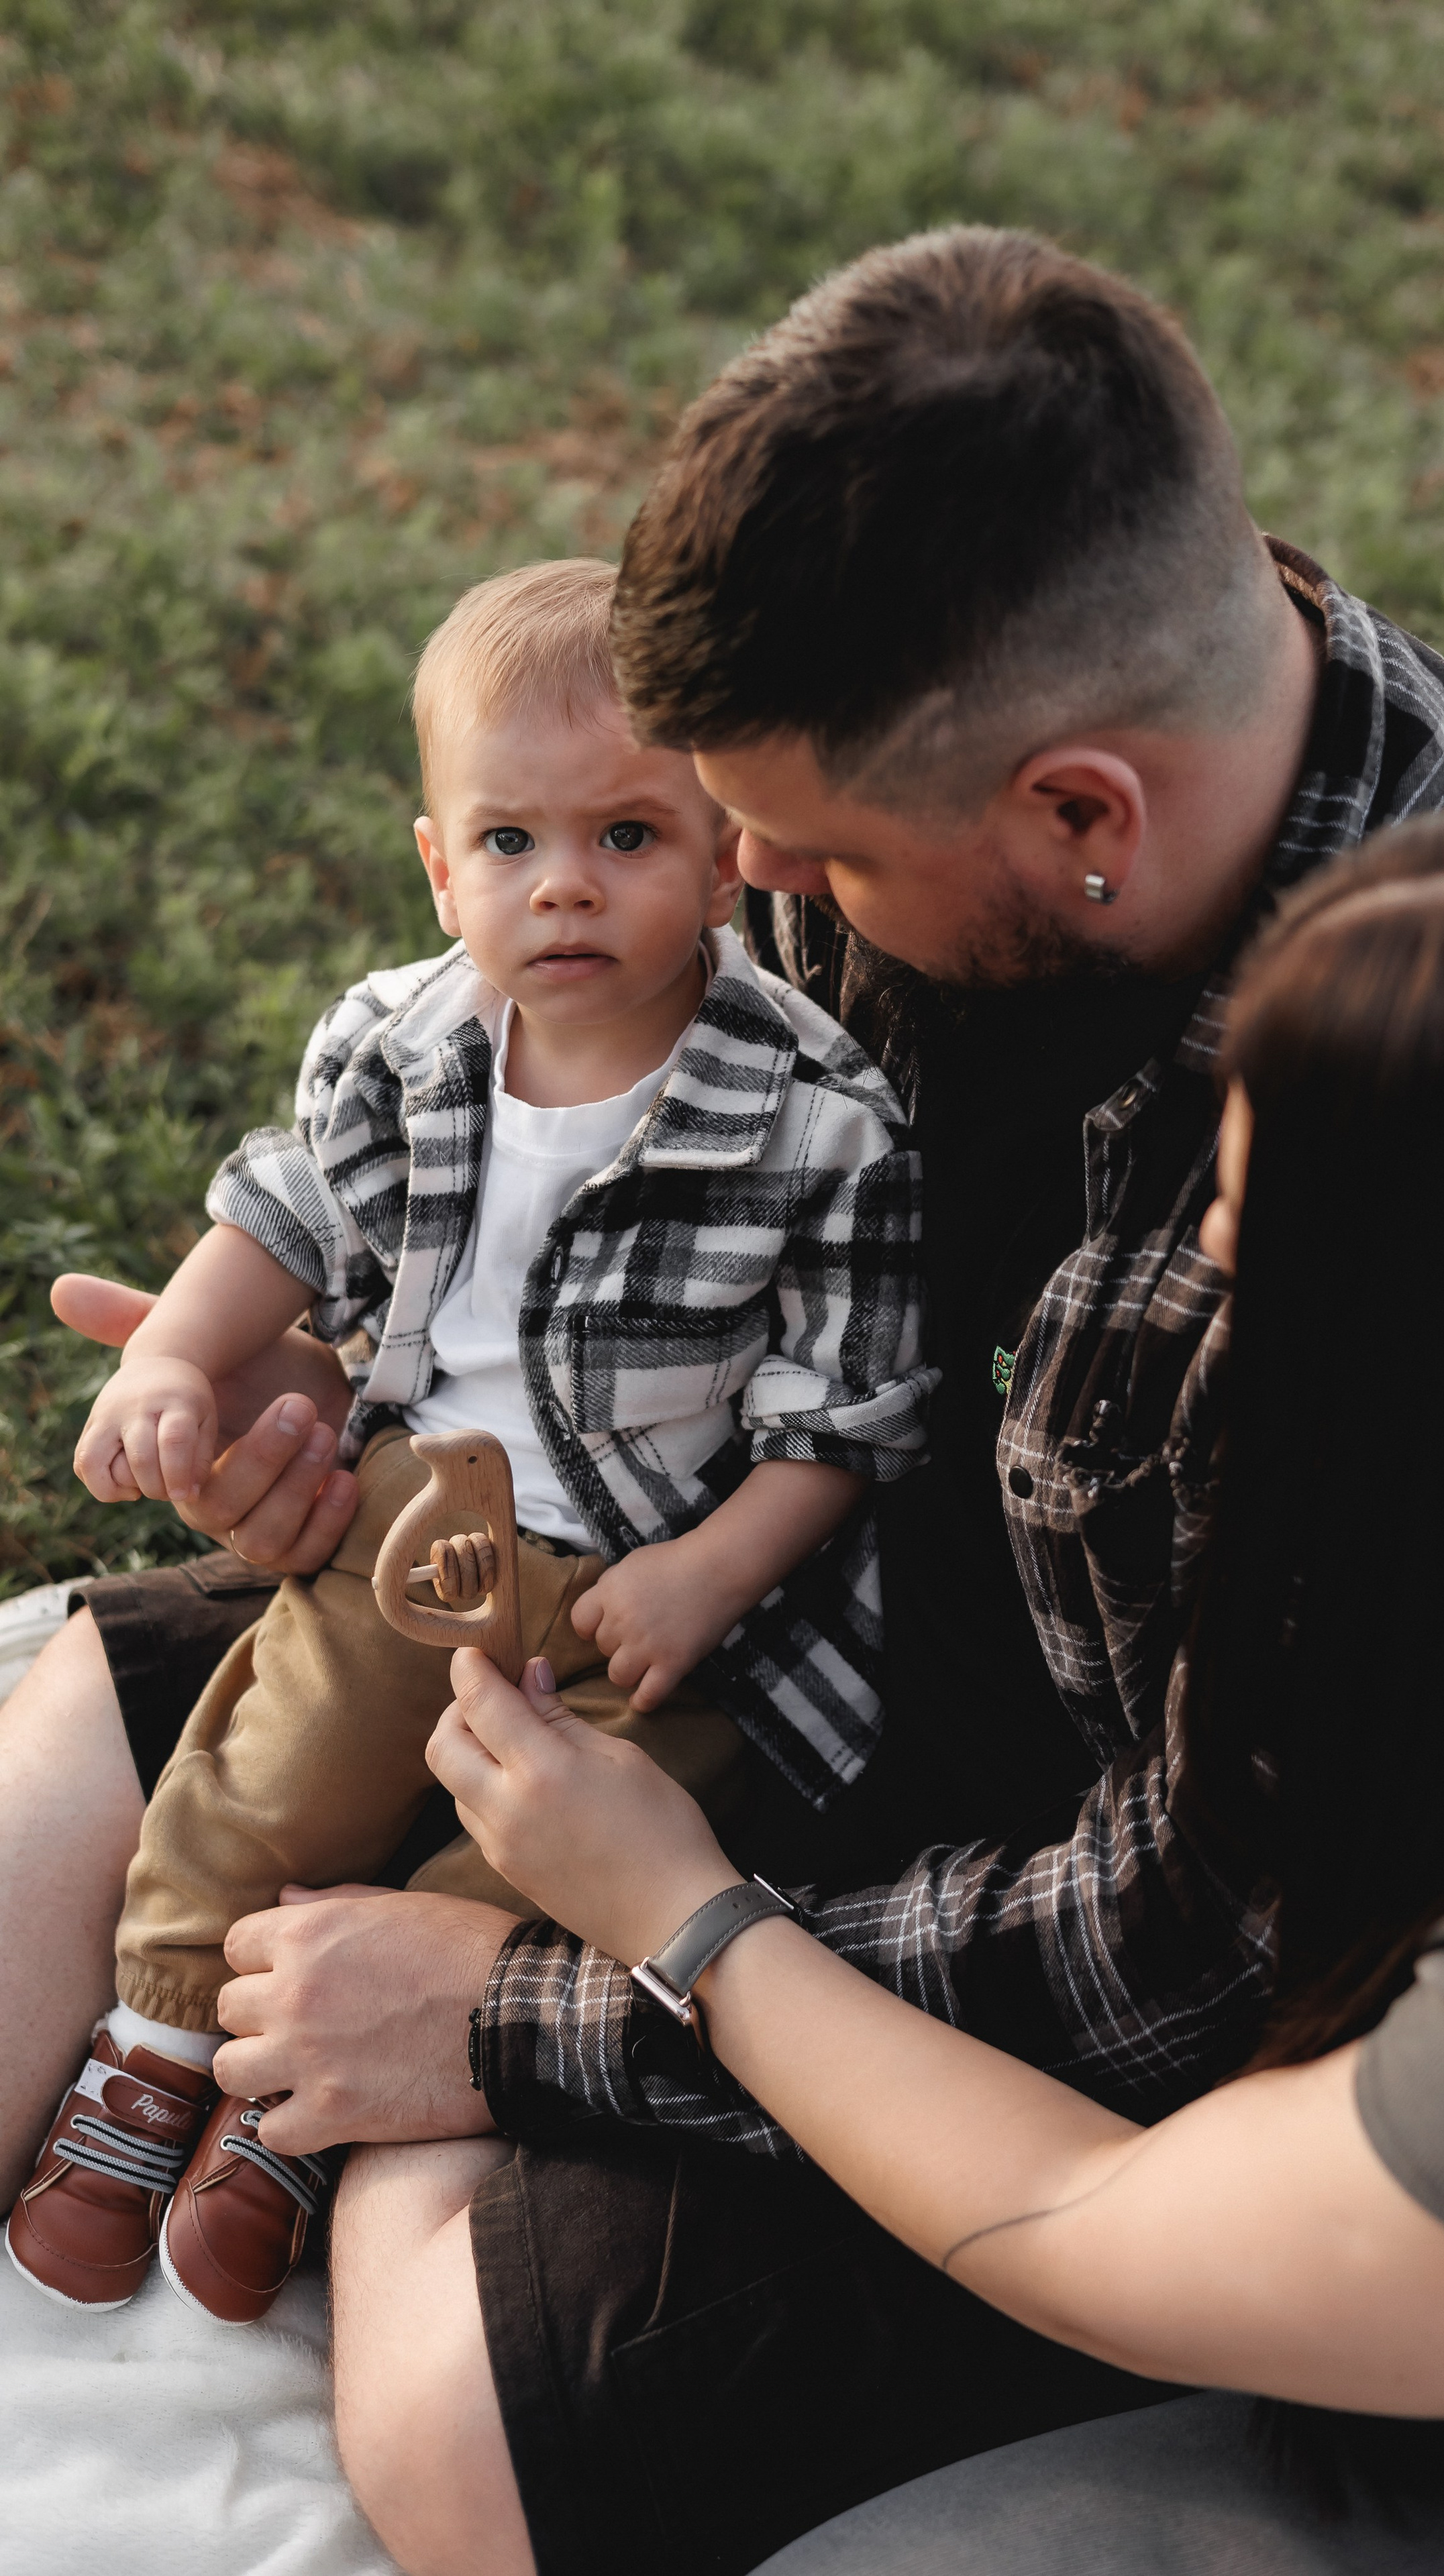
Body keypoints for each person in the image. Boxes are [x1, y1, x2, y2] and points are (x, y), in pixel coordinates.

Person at [0, 223, 1444, 2559]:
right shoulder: (1039, 720)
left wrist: (537, 1996)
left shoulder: (1423, 1186)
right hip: (759, 1580)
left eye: (806, 856)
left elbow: (1199, 1955)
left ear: (1082, 822)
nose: (731, 899)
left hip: (1124, 1873)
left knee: (461, 2426)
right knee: (65, 1756)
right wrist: (362, 1398)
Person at [417, 815, 1444, 2576]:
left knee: (477, 2448)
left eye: (1252, 1246)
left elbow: (1088, 2227)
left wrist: (673, 1925)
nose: (1210, 1295)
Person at [6, 557, 932, 2324]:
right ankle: (151, 2051)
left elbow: (845, 1415)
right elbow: (284, 1223)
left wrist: (708, 1577)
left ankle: (284, 2127)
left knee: (524, 1855)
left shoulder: (813, 1121)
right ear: (440, 863)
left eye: (630, 839)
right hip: (409, 1532)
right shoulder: (404, 1048)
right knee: (273, 1764)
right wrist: (182, 1367)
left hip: (647, 1603)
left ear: (728, 855)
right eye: (510, 842)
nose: (565, 885)